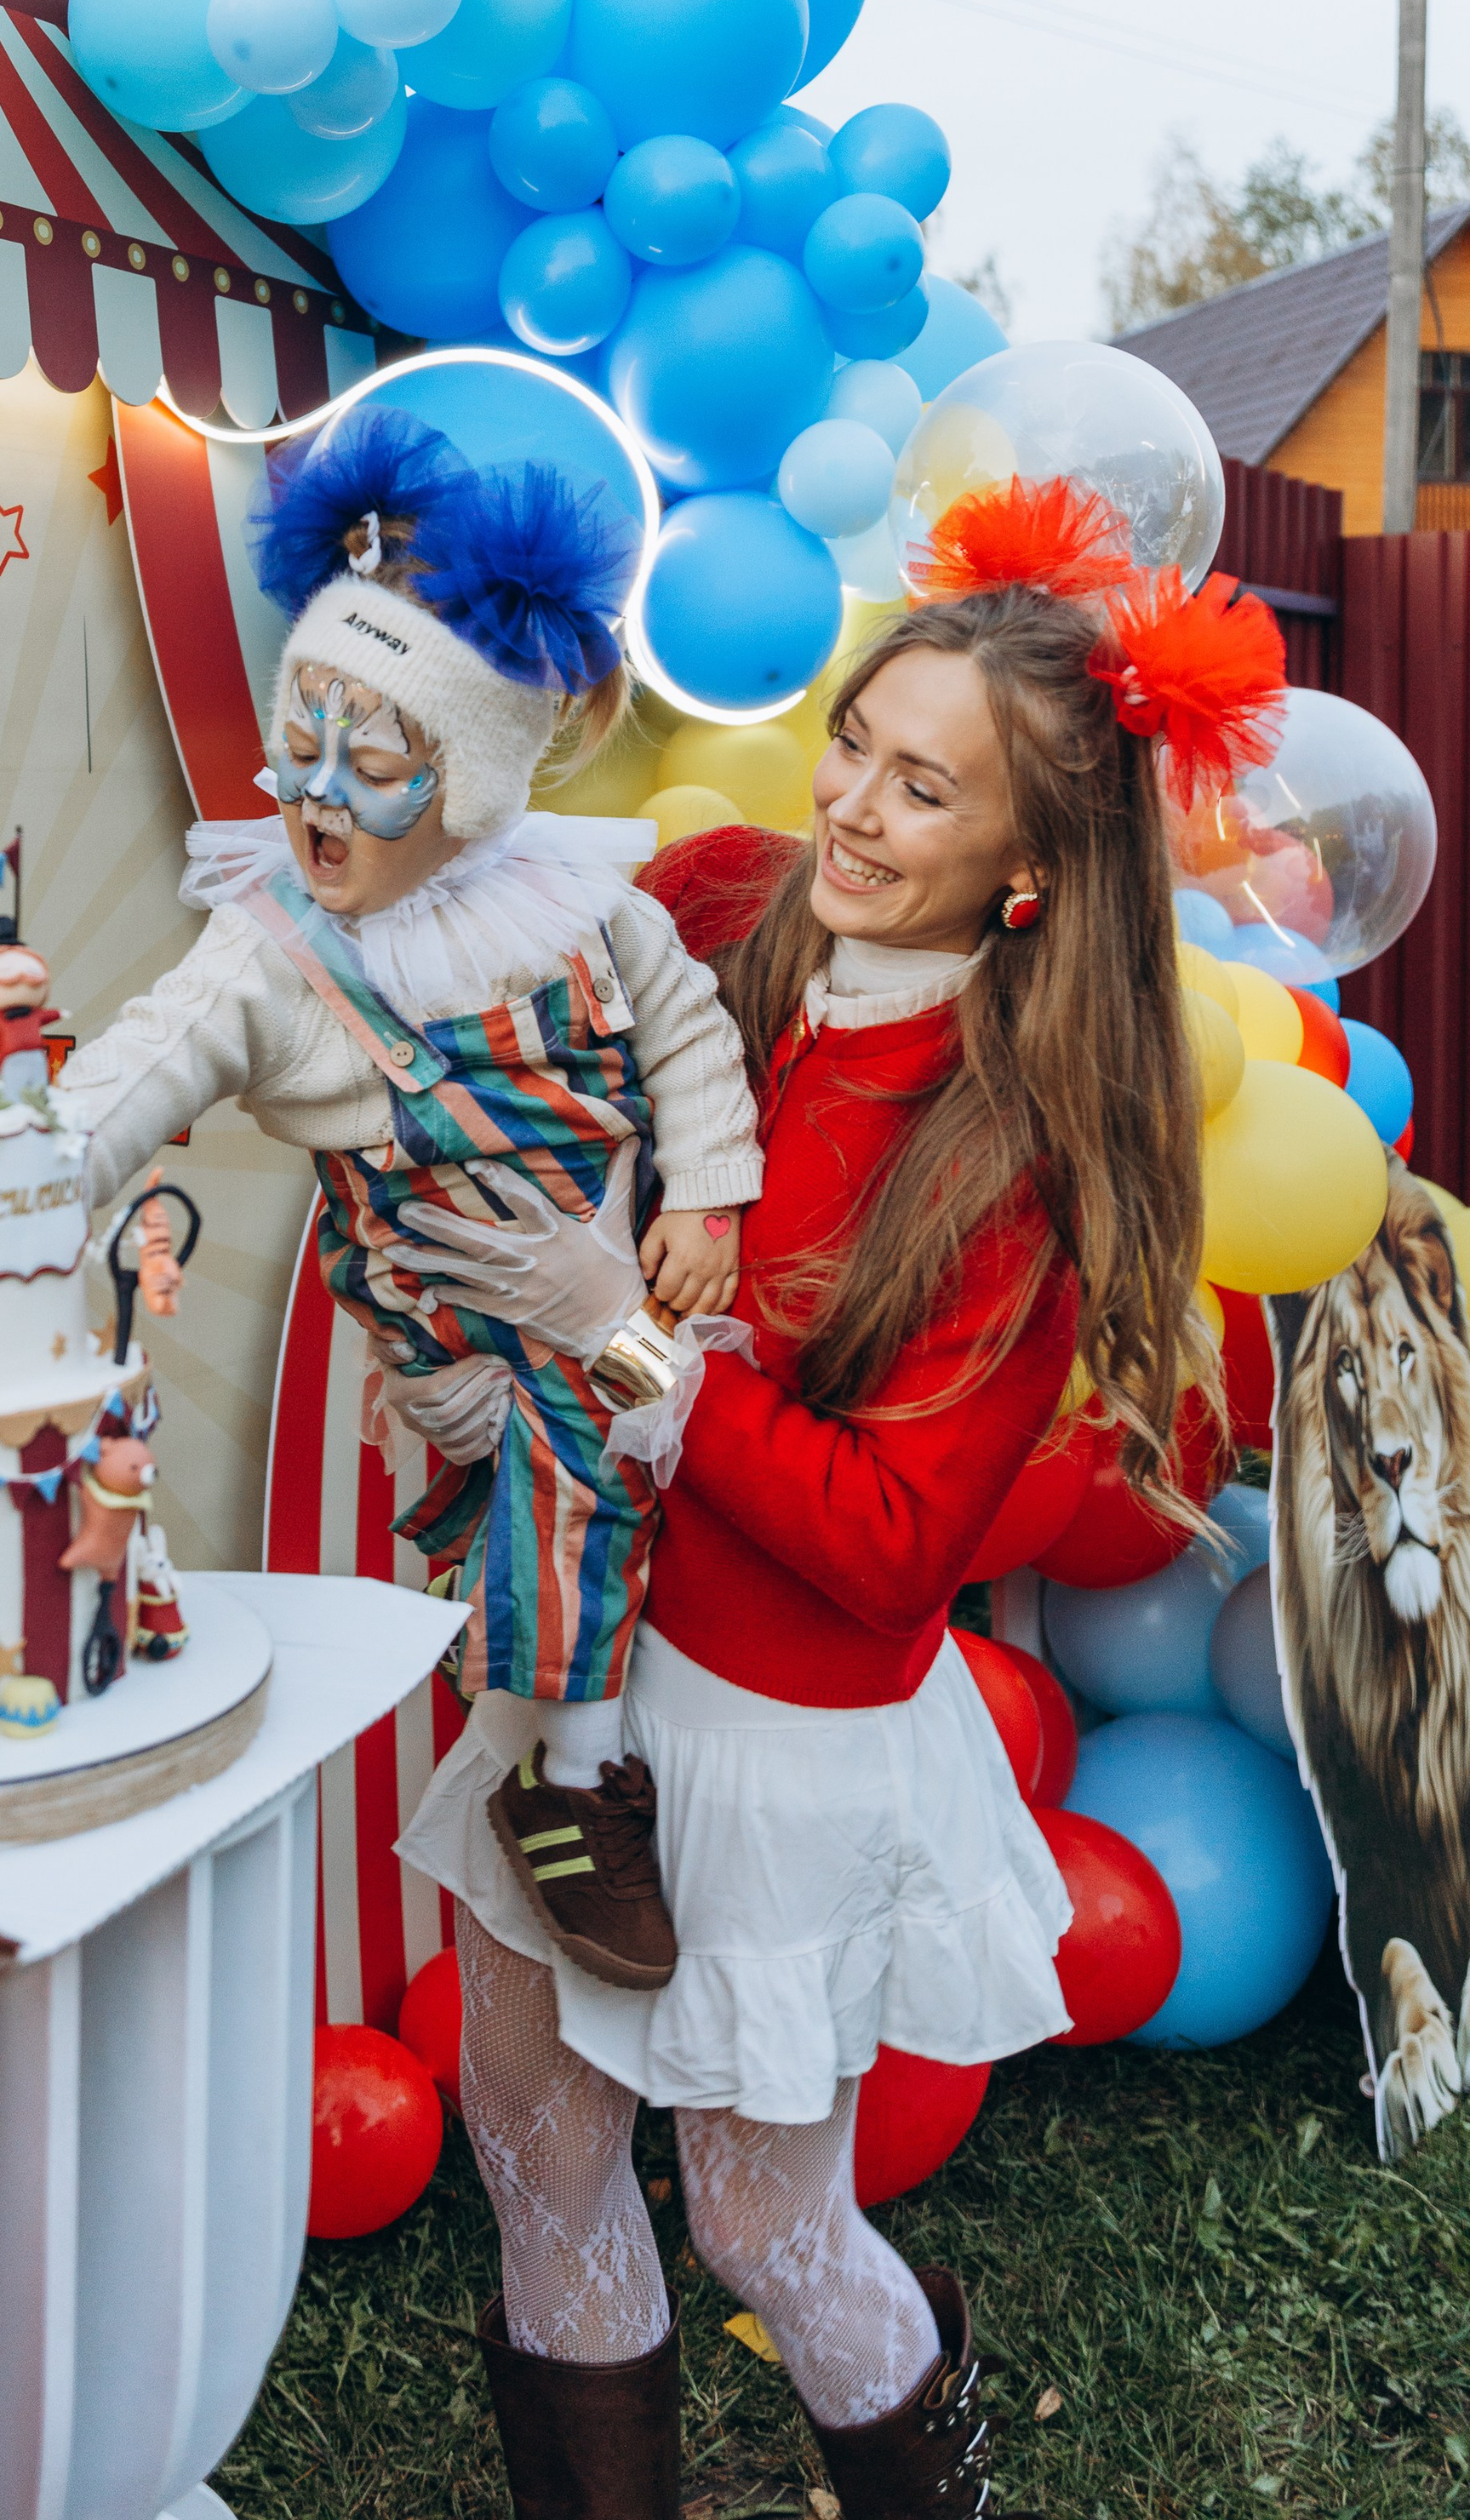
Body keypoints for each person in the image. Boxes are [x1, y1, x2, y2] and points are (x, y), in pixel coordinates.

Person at [392, 477, 1287, 2518]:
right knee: (526, 2133)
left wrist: (625, 1341)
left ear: (1032, 865)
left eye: (927, 794)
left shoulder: (1011, 1163)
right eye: (857, 751)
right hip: (576, 1678)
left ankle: (921, 2469)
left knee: (753, 2221)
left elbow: (889, 1557)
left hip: (775, 1745)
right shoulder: (731, 912)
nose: (857, 814)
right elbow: (498, 875)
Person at [58, 406, 764, 1990]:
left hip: (624, 1306)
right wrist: (20, 1163)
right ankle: (563, 1785)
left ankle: (567, 1760)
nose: (314, 796)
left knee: (615, 1470)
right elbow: (145, 1064)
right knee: (542, 1481)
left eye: (369, 767)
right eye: (299, 743)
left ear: (479, 780)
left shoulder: (584, 902)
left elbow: (691, 1036)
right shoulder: (280, 953)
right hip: (457, 1319)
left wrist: (708, 1195)